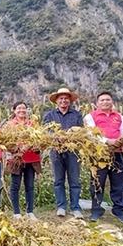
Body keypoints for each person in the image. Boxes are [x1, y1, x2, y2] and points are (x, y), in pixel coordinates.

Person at [83, 92, 123, 224]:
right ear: (97, 103)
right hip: (99, 155)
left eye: (108, 99)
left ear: (112, 102)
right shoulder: (90, 117)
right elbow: (90, 133)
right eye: (102, 100)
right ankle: (96, 210)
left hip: (117, 153)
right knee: (97, 182)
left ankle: (119, 210)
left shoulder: (120, 117)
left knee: (118, 182)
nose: (105, 102)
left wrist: (120, 141)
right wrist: (107, 141)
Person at [43, 88, 84, 219]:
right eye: (61, 98)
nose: (63, 100)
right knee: (58, 180)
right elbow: (45, 132)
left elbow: (82, 132)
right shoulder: (49, 115)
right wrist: (55, 136)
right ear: (56, 101)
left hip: (73, 152)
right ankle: (61, 206)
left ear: (70, 100)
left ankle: (75, 208)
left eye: (66, 98)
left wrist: (73, 135)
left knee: (75, 181)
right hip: (56, 151)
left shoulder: (76, 115)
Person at [6, 102, 41, 220]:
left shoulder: (32, 124)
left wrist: (34, 145)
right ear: (14, 110)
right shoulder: (10, 125)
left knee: (30, 185)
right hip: (16, 159)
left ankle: (30, 211)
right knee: (15, 185)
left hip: (31, 159)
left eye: (24, 108)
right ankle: (16, 212)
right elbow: (6, 142)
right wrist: (17, 149)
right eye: (19, 108)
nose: (22, 110)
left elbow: (39, 139)